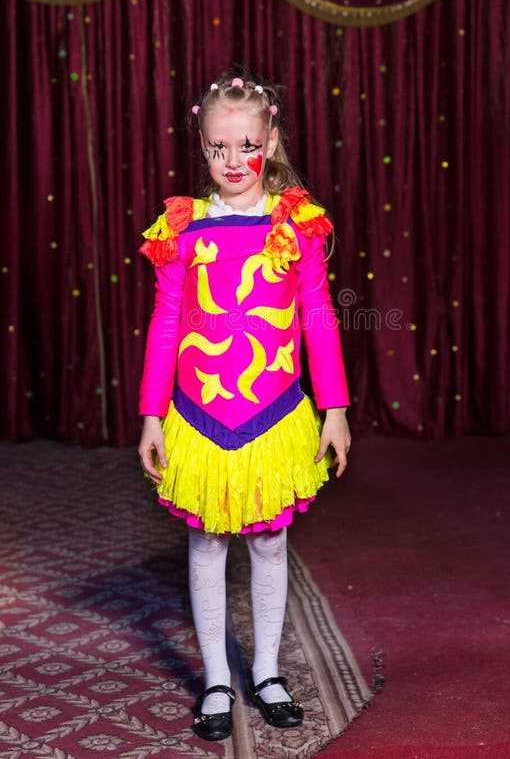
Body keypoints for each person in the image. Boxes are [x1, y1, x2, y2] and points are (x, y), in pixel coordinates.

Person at [137, 72, 351, 742]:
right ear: (201, 148)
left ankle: (266, 671)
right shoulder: (186, 228)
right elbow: (167, 320)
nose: (234, 163)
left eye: (247, 145)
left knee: (267, 541)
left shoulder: (297, 225)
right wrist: (151, 413)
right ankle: (216, 682)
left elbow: (317, 314)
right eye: (218, 148)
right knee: (206, 544)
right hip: (199, 416)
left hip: (277, 411)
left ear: (273, 140)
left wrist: (336, 408)